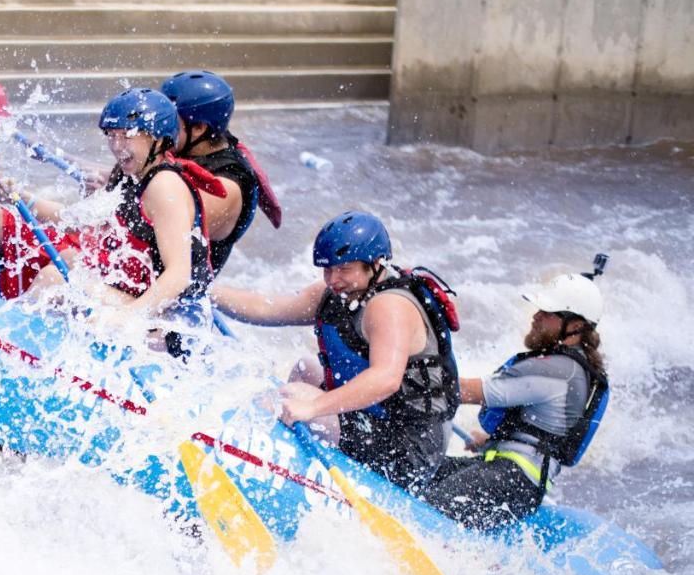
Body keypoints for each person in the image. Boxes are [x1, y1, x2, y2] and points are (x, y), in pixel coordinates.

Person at [212, 211, 460, 490]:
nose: (333, 279)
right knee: (307, 368)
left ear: (376, 264)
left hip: (410, 449)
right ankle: (294, 456)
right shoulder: (335, 294)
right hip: (377, 418)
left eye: (344, 269)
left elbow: (385, 379)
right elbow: (267, 307)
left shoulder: (389, 307)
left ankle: (280, 467)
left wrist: (312, 407)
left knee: (297, 395)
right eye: (328, 269)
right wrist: (206, 289)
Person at [7, 88, 227, 323]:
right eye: (111, 135)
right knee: (71, 258)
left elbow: (178, 275)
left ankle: (13, 329)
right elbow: (74, 220)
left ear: (158, 138)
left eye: (127, 135)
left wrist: (125, 318)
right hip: (147, 300)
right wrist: (22, 197)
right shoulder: (128, 174)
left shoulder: (164, 186)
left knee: (54, 280)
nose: (117, 145)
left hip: (175, 320)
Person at [418, 265, 610, 529]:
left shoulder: (558, 369)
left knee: (423, 510)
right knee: (415, 474)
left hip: (512, 478)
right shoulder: (574, 369)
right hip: (512, 473)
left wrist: (401, 376)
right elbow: (544, 430)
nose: (536, 316)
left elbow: (464, 391)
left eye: (548, 313)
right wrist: (491, 440)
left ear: (575, 325)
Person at [160, 70, 282, 275]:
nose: (157, 127)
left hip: (179, 297)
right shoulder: (193, 143)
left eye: (168, 120)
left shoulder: (228, 186)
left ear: (199, 128)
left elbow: (155, 216)